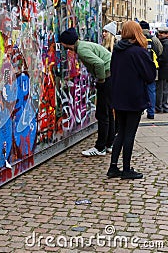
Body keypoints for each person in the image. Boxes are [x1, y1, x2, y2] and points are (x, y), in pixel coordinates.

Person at [107, 21, 156, 179]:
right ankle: (126, 169)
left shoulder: (117, 50)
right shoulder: (138, 52)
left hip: (118, 97)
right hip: (133, 98)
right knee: (129, 134)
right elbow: (150, 76)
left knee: (120, 132)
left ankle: (113, 167)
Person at [59, 27, 114, 156]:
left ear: (67, 43)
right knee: (107, 111)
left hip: (107, 77)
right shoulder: (83, 46)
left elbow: (99, 63)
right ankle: (109, 143)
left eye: (62, 43)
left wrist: (101, 80)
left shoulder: (82, 50)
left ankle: (100, 147)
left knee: (102, 113)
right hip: (111, 76)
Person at [139, 20, 163, 119]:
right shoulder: (154, 39)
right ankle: (151, 112)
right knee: (151, 90)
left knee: (139, 89)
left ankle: (139, 111)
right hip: (152, 67)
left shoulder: (138, 38)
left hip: (139, 68)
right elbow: (160, 50)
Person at [101, 21, 118, 152]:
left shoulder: (114, 49)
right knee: (109, 112)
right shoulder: (105, 47)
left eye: (106, 32)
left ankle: (109, 141)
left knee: (109, 112)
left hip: (111, 82)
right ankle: (110, 141)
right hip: (110, 82)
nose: (103, 34)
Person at [156, 27, 168, 113]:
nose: (160, 34)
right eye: (159, 32)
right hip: (164, 69)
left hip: (163, 69)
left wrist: (157, 59)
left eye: (162, 32)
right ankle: (163, 105)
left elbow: (164, 57)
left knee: (162, 89)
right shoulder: (163, 42)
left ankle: (161, 106)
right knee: (164, 89)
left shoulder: (165, 43)